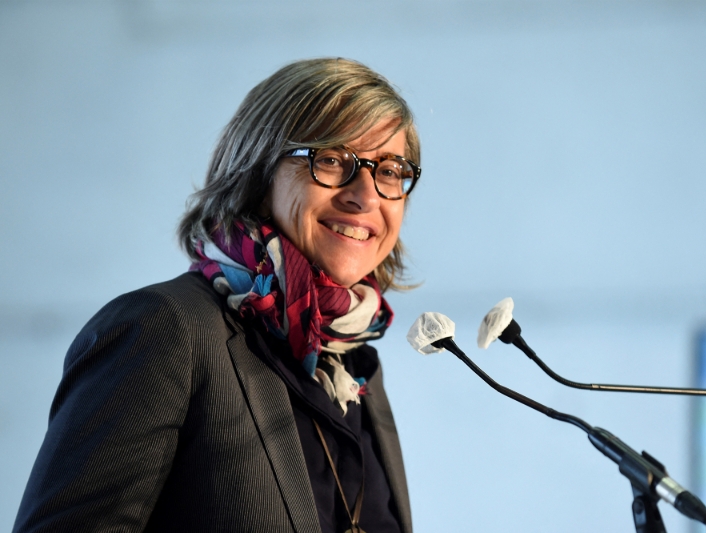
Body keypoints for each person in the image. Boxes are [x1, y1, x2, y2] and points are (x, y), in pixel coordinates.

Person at [13, 58, 420, 533]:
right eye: (331, 160)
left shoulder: (355, 365)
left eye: (390, 170)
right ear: (258, 169)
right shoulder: (164, 330)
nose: (367, 196)